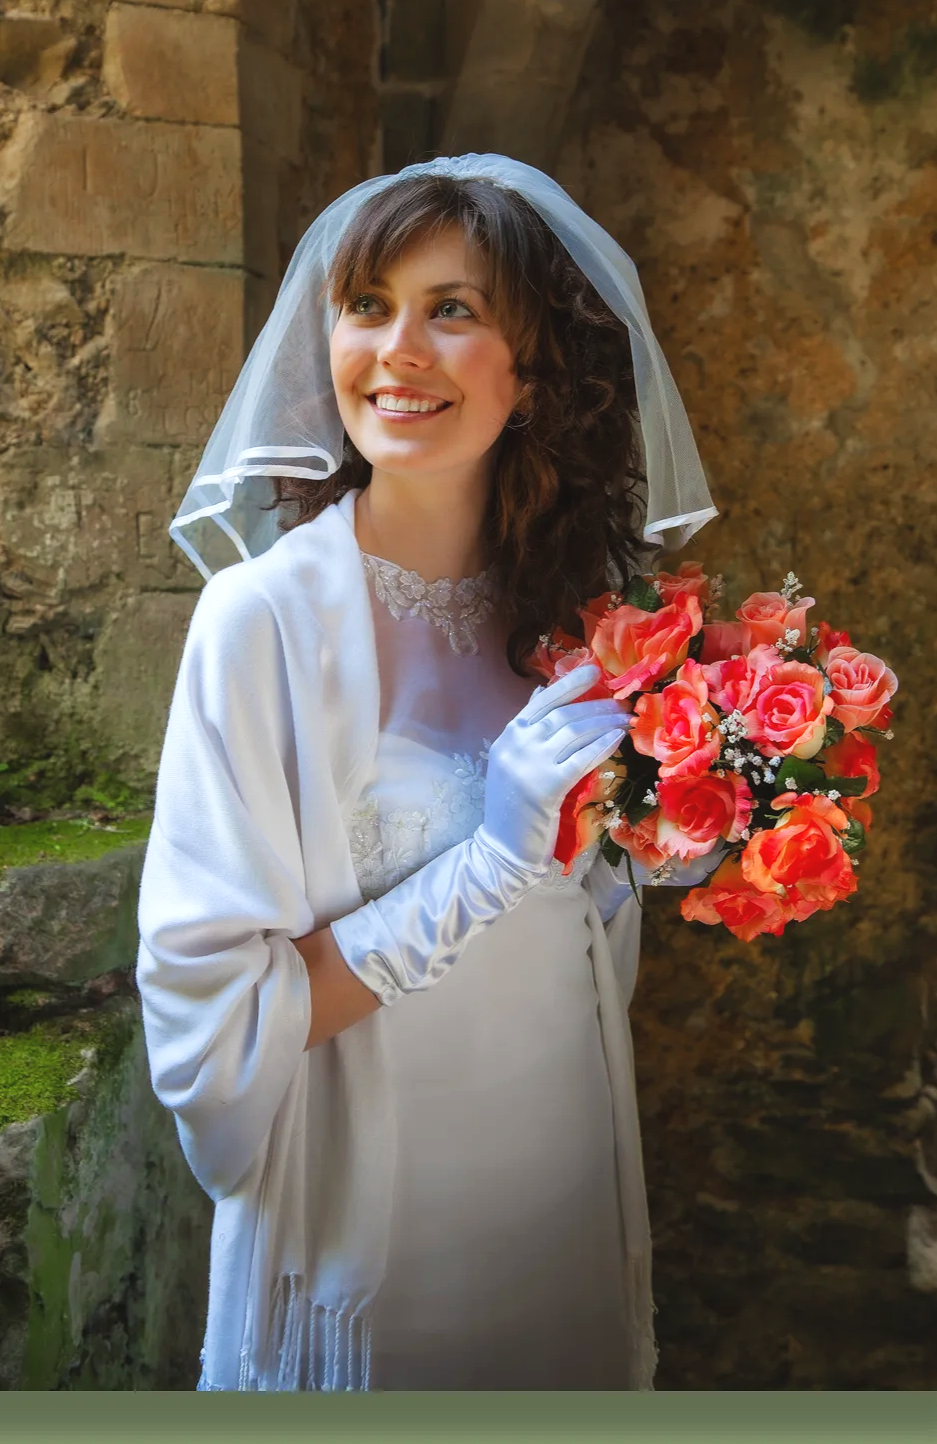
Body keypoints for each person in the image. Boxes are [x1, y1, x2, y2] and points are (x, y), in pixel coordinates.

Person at [136, 153, 718, 1392]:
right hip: (384, 1224)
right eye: (367, 305)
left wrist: (692, 821)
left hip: (561, 1166)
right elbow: (214, 1029)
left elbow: (588, 924)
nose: (397, 350)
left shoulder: (584, 613)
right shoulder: (260, 627)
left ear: (535, 368)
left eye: (452, 309)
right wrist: (493, 860)